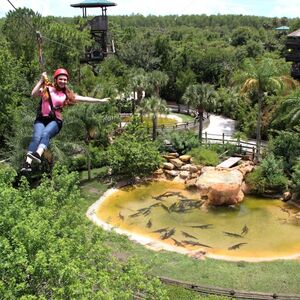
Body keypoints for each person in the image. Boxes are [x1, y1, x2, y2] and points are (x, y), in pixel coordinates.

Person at [21, 68, 109, 172]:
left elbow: (84, 98)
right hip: (41, 118)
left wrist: (100, 101)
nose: (63, 81)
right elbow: (33, 94)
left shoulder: (66, 94)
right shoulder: (47, 88)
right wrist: (41, 80)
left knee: (45, 134)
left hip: (55, 121)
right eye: (61, 79)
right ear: (56, 79)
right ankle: (27, 164)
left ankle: (38, 154)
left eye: (65, 80)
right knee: (36, 137)